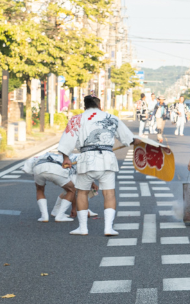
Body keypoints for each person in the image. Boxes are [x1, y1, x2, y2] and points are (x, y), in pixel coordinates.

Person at [57, 94, 134, 237]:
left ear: (84, 107)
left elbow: (66, 141)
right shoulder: (111, 118)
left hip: (86, 158)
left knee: (82, 193)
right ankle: (108, 228)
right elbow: (128, 139)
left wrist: (66, 157)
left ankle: (83, 228)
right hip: (107, 158)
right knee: (109, 193)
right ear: (100, 106)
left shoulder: (77, 119)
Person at [26, 149, 78, 222]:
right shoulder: (73, 157)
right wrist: (74, 209)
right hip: (56, 169)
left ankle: (44, 216)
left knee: (39, 190)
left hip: (38, 167)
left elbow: (27, 168)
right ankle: (60, 216)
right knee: (71, 190)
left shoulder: (40, 156)